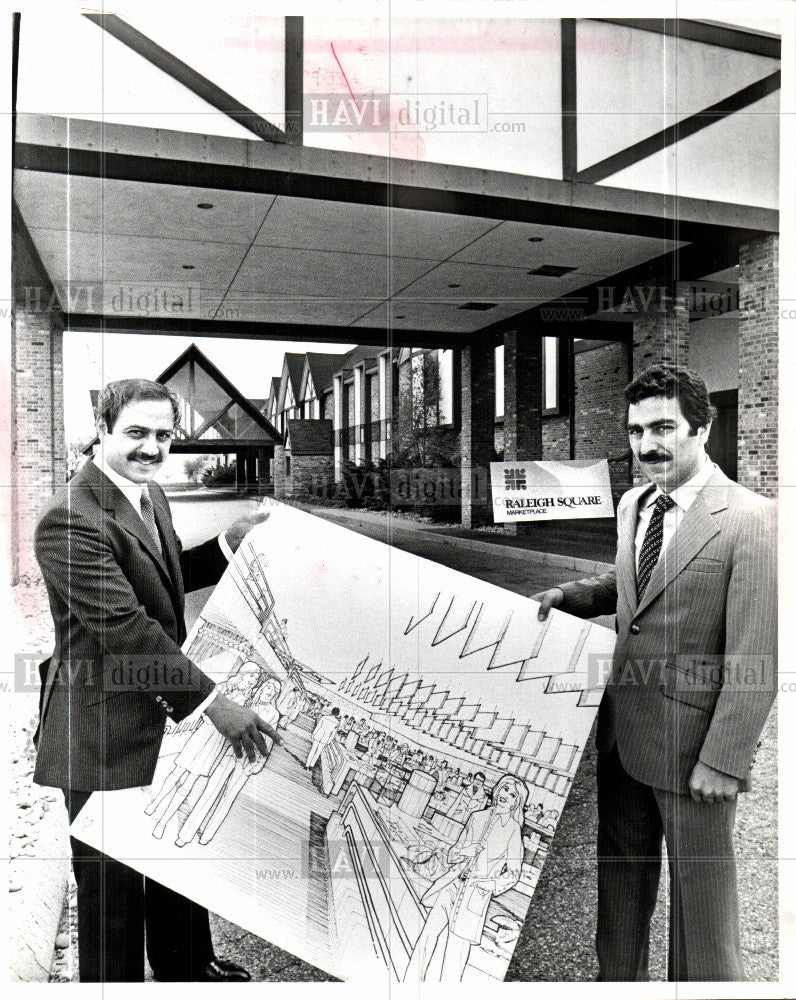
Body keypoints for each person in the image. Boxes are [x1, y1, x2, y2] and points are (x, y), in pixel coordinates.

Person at [532, 363, 776, 982]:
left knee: (702, 912)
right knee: (620, 887)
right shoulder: (634, 503)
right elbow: (638, 582)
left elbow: (756, 658)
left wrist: (724, 760)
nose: (647, 445)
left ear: (703, 427)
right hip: (623, 736)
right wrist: (575, 595)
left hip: (694, 751)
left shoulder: (752, 521)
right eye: (636, 431)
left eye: (663, 427)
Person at [33, 378, 281, 983]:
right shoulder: (71, 517)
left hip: (157, 713)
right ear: (103, 430)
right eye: (136, 433)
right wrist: (214, 703)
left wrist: (229, 545)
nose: (151, 448)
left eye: (163, 435)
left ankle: (187, 968)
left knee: (177, 857)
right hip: (101, 726)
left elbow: (166, 582)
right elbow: (126, 627)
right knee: (112, 892)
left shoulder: (149, 496)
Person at [404, 774, 527, 982]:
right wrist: (465, 850)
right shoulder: (477, 817)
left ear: (517, 802)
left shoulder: (514, 831)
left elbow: (513, 873)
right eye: (504, 789)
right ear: (497, 789)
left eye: (513, 794)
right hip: (452, 886)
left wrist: (489, 884)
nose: (506, 795)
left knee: (455, 954)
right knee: (426, 937)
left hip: (475, 896)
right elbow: (452, 855)